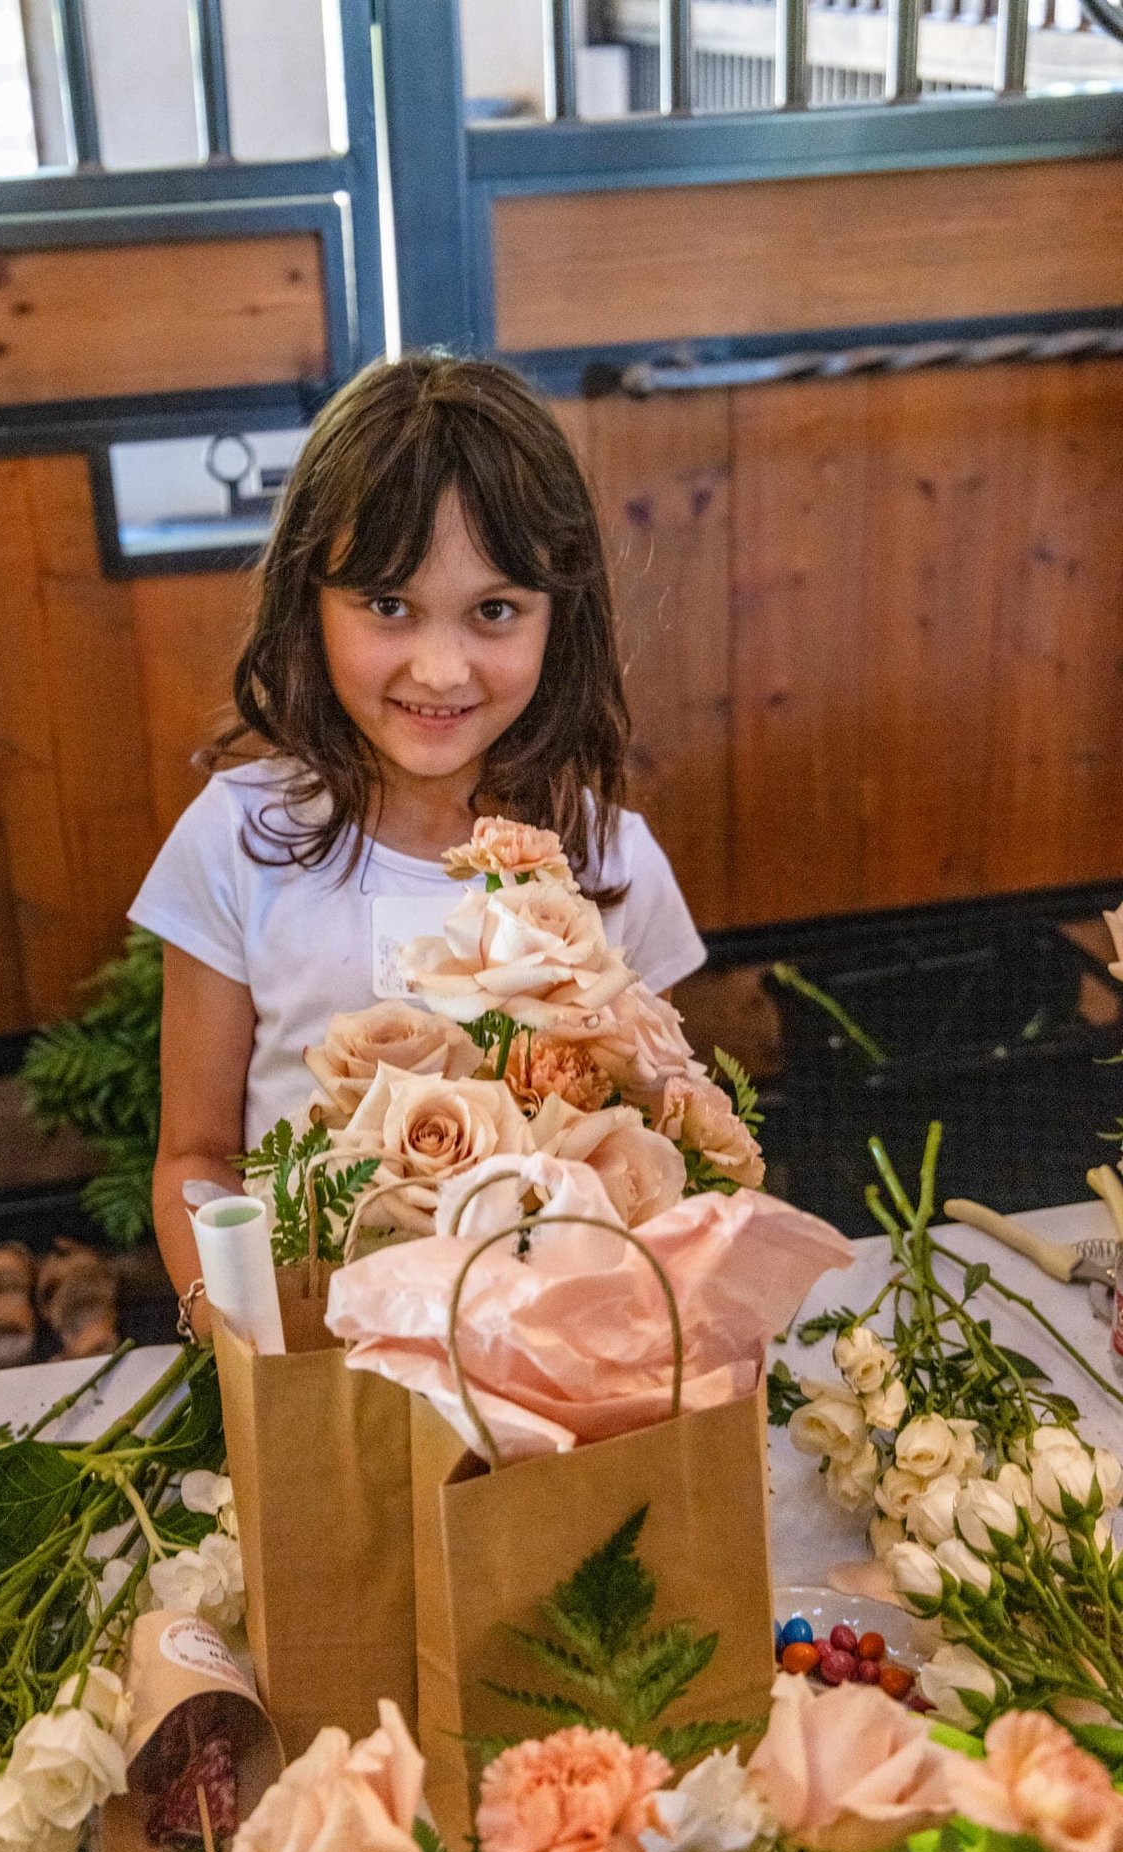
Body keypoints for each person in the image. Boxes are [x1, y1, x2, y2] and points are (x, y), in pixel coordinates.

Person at [130, 352, 707, 1302]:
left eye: (494, 610)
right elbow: (196, 1153)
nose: (440, 670)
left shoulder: (612, 864)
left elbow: (673, 1157)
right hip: (312, 1360)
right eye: (388, 605)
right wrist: (238, 1351)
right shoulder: (235, 843)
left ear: (561, 617)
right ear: (307, 600)